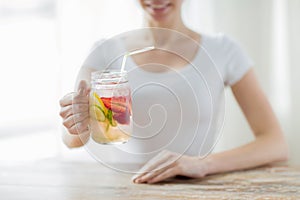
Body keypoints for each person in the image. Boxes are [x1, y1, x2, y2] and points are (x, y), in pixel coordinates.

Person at [59, 0, 288, 184]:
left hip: (194, 190)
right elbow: (72, 140)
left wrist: (203, 164)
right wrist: (77, 123)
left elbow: (275, 144)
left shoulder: (222, 50)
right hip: (121, 189)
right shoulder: (105, 51)